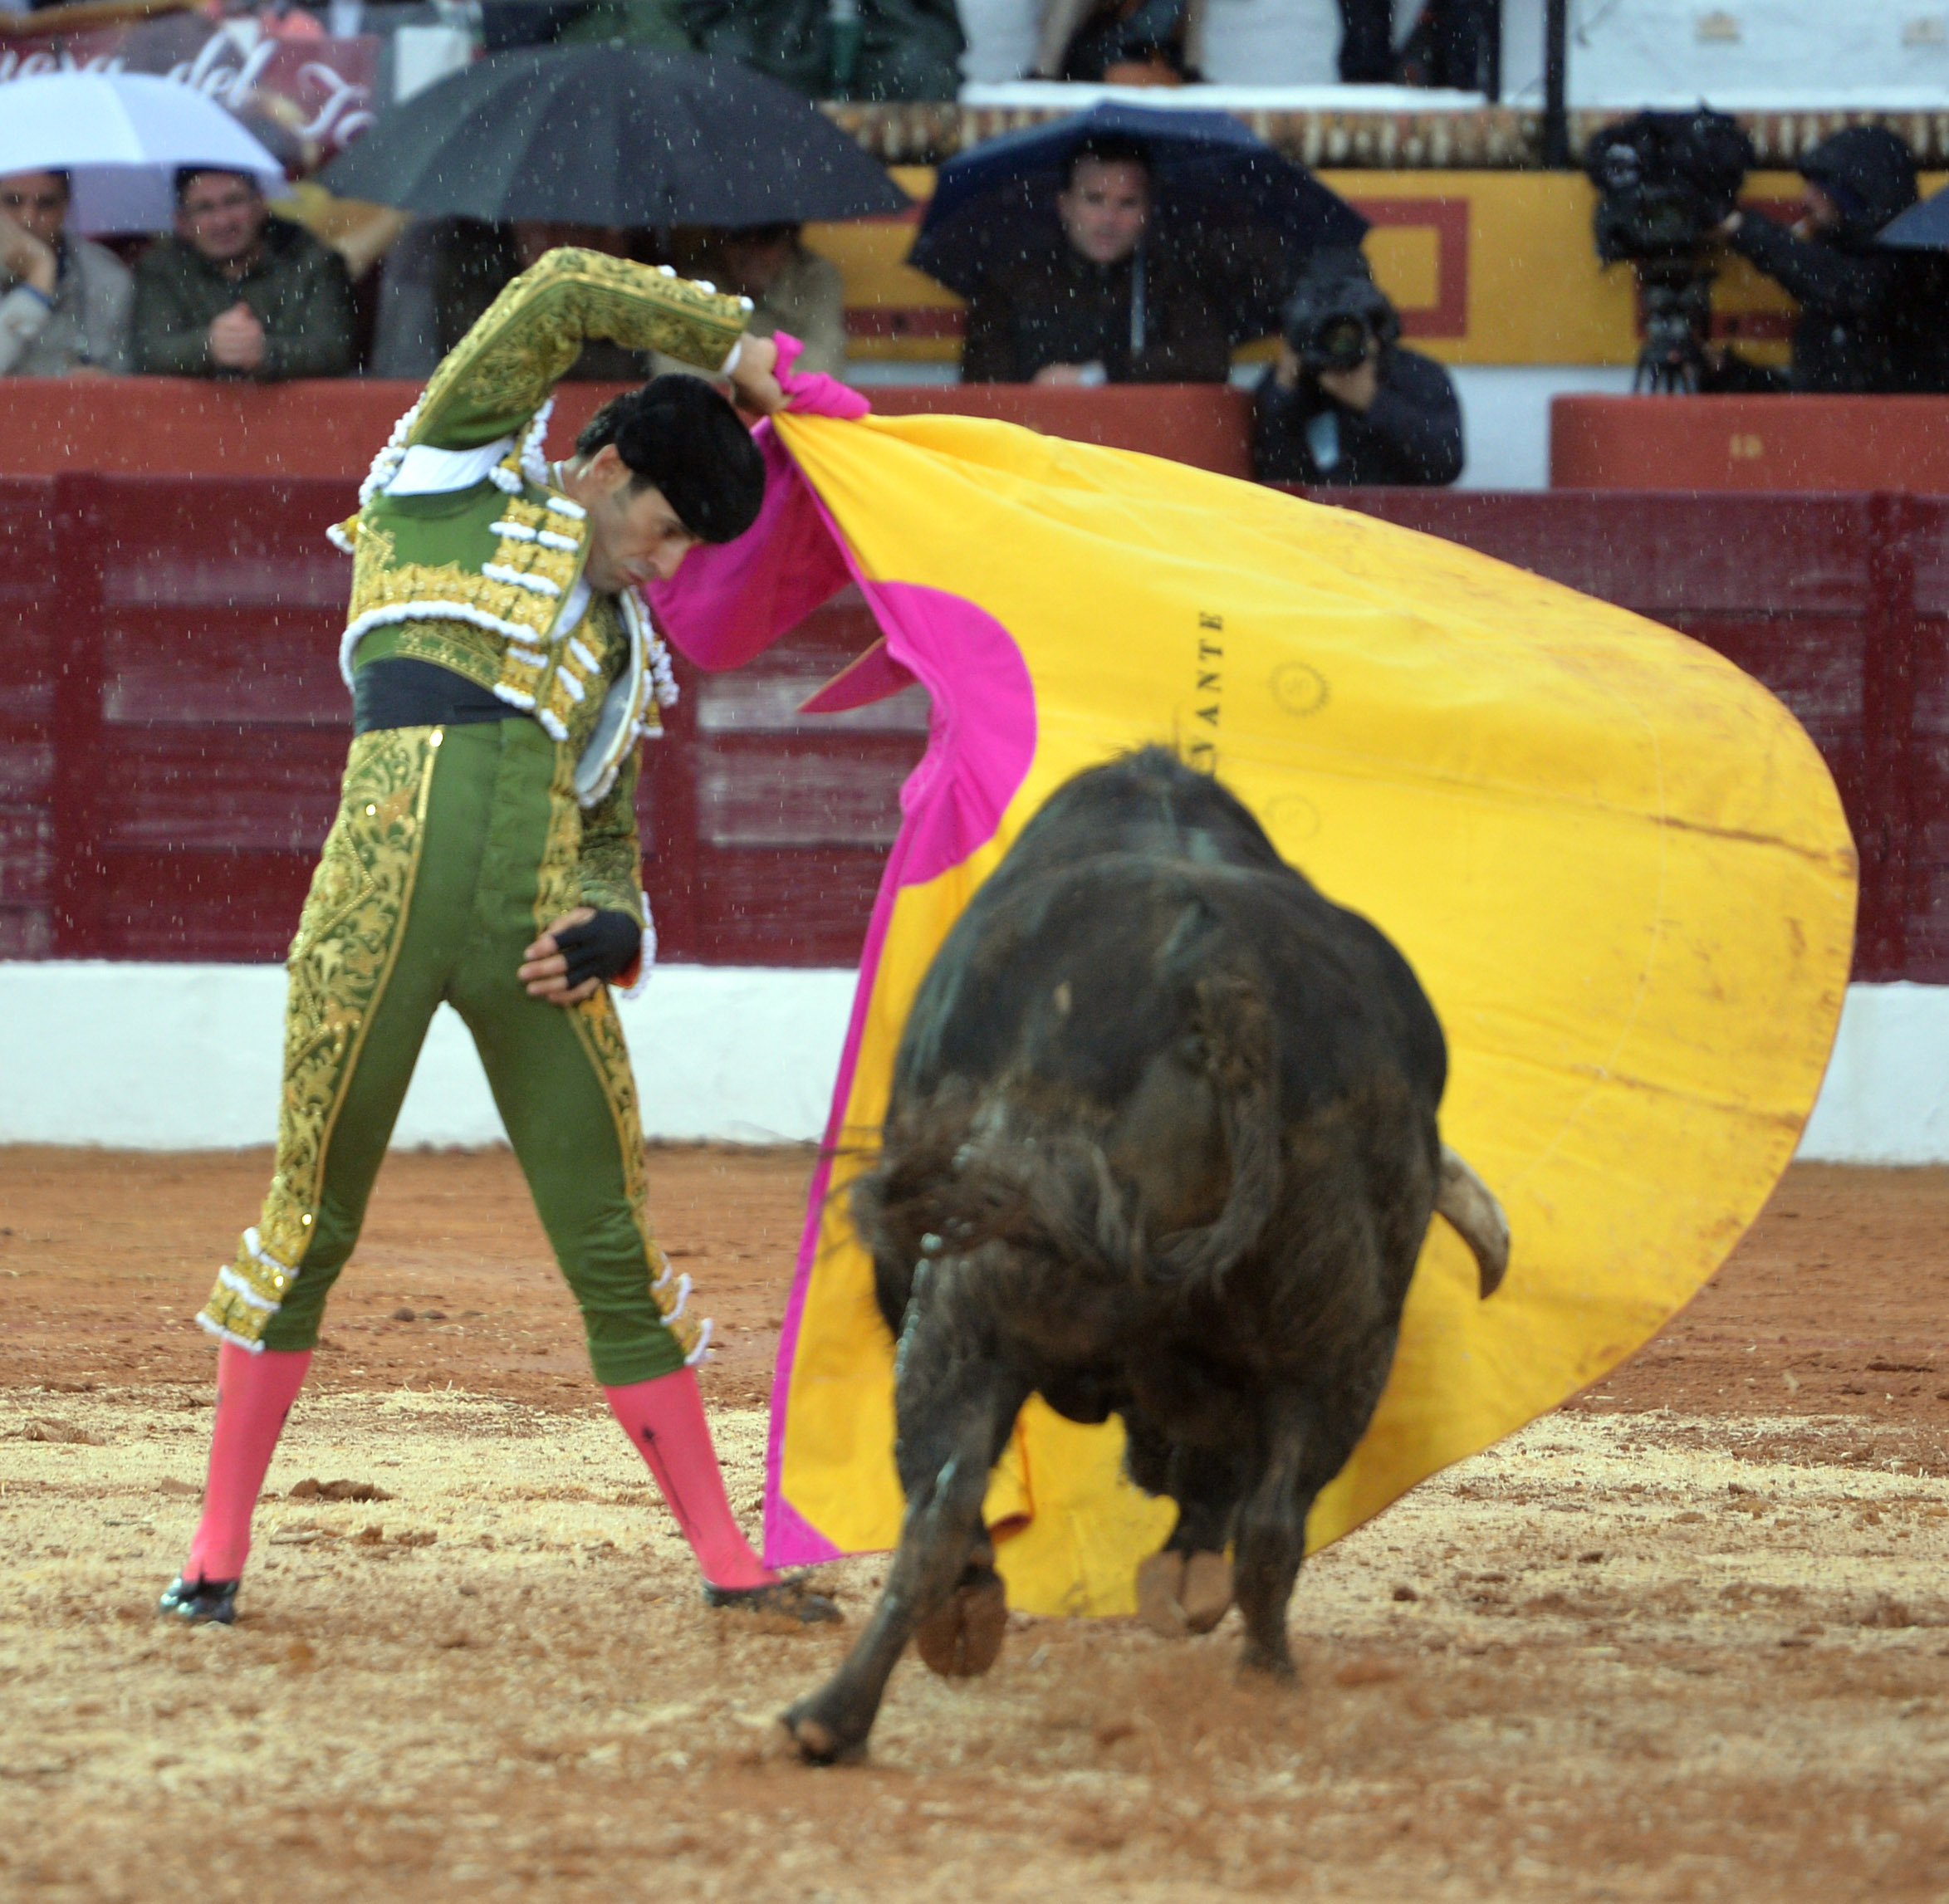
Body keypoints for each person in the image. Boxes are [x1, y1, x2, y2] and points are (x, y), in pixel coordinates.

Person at [157, 247, 840, 1630]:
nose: (662, 565)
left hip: (530, 948)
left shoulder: (626, 655)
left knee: (613, 1241)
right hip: (370, 917)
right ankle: (215, 1552)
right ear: (606, 463)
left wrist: (614, 925)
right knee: (307, 1221)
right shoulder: (449, 474)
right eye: (663, 528)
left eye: (686, 552)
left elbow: (608, 834)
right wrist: (734, 346)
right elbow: (559, 291)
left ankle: (730, 1561)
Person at [959, 134, 1254, 385]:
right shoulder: (1010, 285)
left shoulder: (1175, 281)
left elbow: (1208, 359)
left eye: (1127, 203)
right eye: (1095, 199)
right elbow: (983, 377)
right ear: (1065, 205)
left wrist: (1099, 375)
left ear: (1147, 212)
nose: (1109, 220)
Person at [1705, 126, 1920, 395]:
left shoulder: (1912, 270)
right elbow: (1812, 402)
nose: (1806, 199)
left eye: (1821, 187)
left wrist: (1745, 229)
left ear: (1855, 196)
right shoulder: (1827, 288)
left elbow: (1852, 291)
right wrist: (1724, 371)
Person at [1252, 247, 1463, 487]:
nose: (1338, 342)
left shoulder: (1416, 374)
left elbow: (1446, 464)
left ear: (1375, 325)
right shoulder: (1293, 379)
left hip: (1397, 510)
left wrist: (1373, 400)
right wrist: (1284, 390)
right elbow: (1270, 475)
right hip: (1312, 510)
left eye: (1348, 331)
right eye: (1327, 329)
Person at [130, 167, 355, 379]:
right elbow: (148, 352)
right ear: (182, 223)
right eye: (204, 208)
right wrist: (209, 347)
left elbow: (335, 350)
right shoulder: (159, 269)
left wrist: (267, 352)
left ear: (260, 205)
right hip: (190, 408)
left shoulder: (313, 261)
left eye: (234, 202)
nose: (222, 221)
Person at [0, 169, 133, 377]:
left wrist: (106, 382)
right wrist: (39, 278)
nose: (28, 219)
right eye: (13, 201)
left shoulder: (106, 277)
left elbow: (127, 374)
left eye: (46, 204)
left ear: (65, 206)